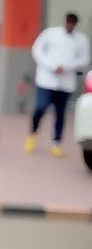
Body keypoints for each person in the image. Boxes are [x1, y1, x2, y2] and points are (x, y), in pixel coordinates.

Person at [27, 12, 91, 156]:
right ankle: (32, 133)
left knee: (60, 113)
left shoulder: (81, 39)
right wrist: (51, 66)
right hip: (46, 80)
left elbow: (84, 59)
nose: (69, 26)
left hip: (66, 81)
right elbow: (37, 49)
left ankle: (56, 142)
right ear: (64, 21)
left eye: (72, 24)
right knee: (40, 108)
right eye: (68, 23)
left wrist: (66, 67)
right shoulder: (50, 33)